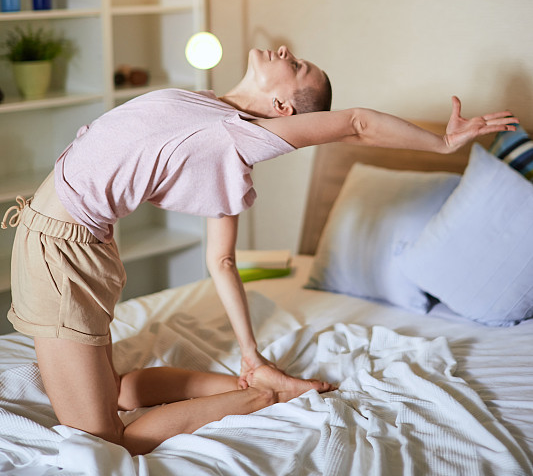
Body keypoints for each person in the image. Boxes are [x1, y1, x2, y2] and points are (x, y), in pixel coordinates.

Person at [2, 45, 517, 456]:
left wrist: (443, 145)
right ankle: (249, 380)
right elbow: (221, 263)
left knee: (99, 440)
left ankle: (258, 398)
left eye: (296, 65)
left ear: (283, 109)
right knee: (115, 390)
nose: (286, 50)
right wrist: (252, 353)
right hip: (56, 244)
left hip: (60, 254)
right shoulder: (214, 119)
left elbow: (355, 123)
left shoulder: (242, 138)